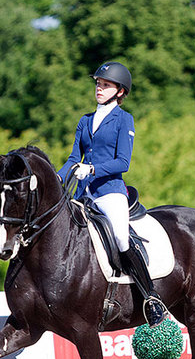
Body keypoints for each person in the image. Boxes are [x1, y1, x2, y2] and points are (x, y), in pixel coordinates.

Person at [57, 61, 167, 328]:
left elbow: (123, 162)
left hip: (109, 192)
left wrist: (92, 169)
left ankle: (150, 298)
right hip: (83, 193)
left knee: (119, 235)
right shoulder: (85, 121)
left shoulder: (124, 120)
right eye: (98, 84)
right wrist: (56, 180)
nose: (99, 88)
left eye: (105, 85)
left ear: (119, 91)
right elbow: (73, 158)